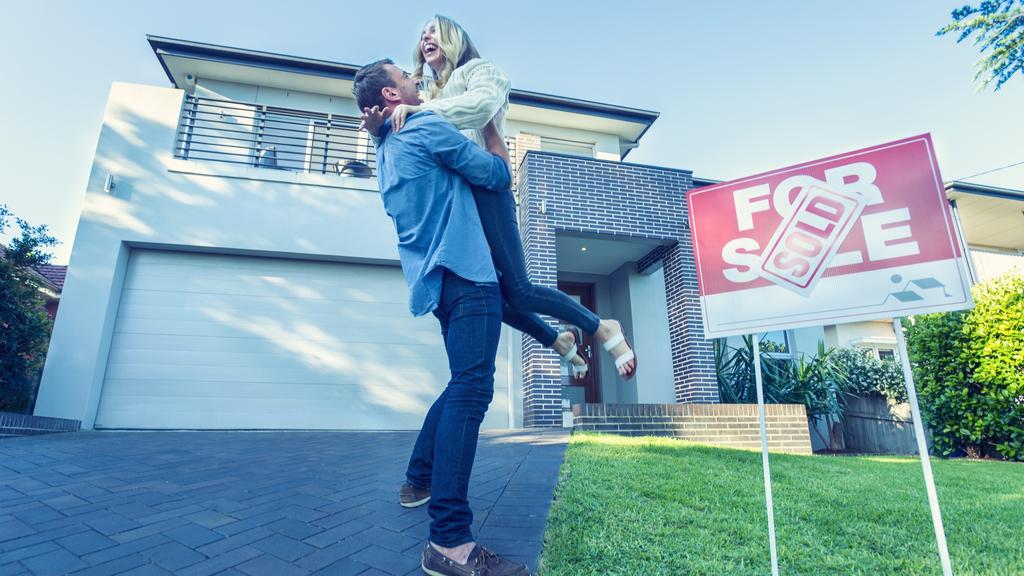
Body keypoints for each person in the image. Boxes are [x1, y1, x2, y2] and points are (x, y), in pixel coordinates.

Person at [361, 15, 638, 384]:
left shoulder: (481, 71)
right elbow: (408, 135)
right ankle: (559, 339)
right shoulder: (426, 96)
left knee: (519, 291)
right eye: (422, 33)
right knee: (493, 296)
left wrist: (419, 111)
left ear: (453, 38)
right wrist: (381, 130)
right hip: (461, 202)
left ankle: (600, 326)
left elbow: (480, 106)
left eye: (434, 30)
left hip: (490, 188)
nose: (426, 37)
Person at [353, 58, 531, 576]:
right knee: (472, 392)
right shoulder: (424, 124)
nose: (415, 80)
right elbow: (496, 175)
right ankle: (448, 541)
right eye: (405, 78)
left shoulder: (385, 149)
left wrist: (376, 129)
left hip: (439, 286)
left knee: (461, 383)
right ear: (392, 94)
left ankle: (417, 479)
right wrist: (493, 123)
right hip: (470, 276)